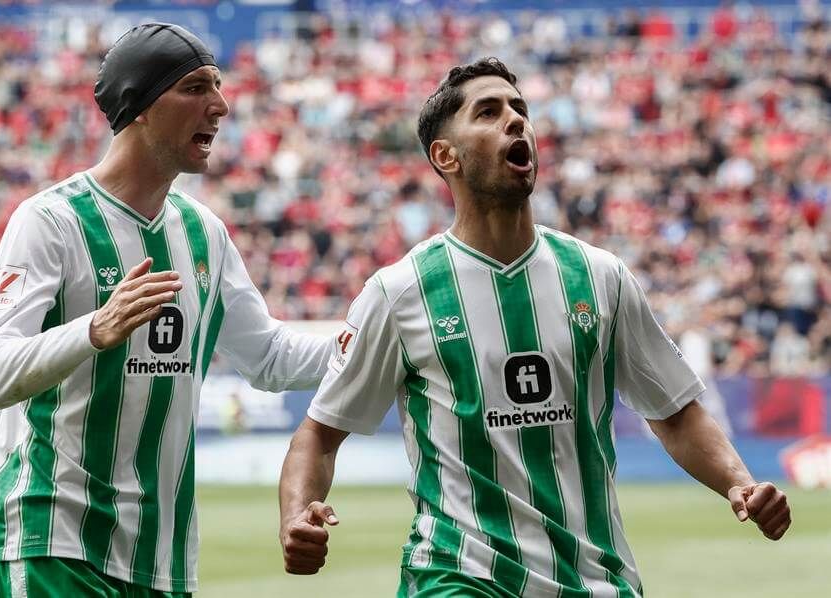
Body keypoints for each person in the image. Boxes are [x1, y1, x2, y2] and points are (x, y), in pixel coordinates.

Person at [278, 58, 791, 597]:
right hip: (459, 576)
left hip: (596, 579)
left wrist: (741, 485)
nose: (516, 120)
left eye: (520, 109)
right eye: (489, 111)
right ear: (444, 155)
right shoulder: (400, 292)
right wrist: (295, 516)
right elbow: (319, 434)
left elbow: (676, 414)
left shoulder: (600, 277)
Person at [0, 23, 332, 598]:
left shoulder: (203, 232)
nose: (220, 104)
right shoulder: (50, 222)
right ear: (138, 105)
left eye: (218, 85)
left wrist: (379, 339)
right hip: (55, 544)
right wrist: (92, 328)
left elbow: (270, 358)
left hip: (162, 560)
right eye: (194, 87)